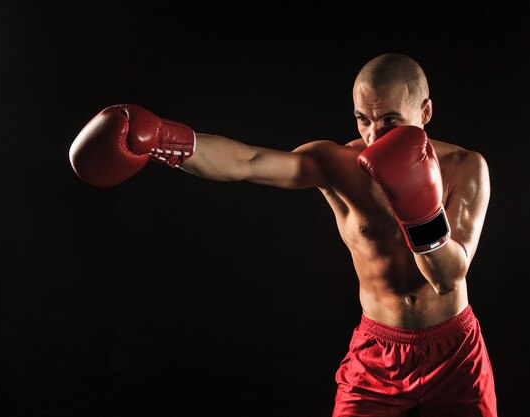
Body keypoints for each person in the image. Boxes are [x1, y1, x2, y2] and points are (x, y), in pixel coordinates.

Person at [69, 53, 497, 416]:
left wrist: (420, 205)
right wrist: (166, 139)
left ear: (424, 112)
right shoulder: (337, 164)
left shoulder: (466, 167)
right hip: (377, 353)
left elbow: (447, 276)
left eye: (390, 121)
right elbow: (249, 161)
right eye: (363, 119)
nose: (373, 136)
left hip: (454, 350)